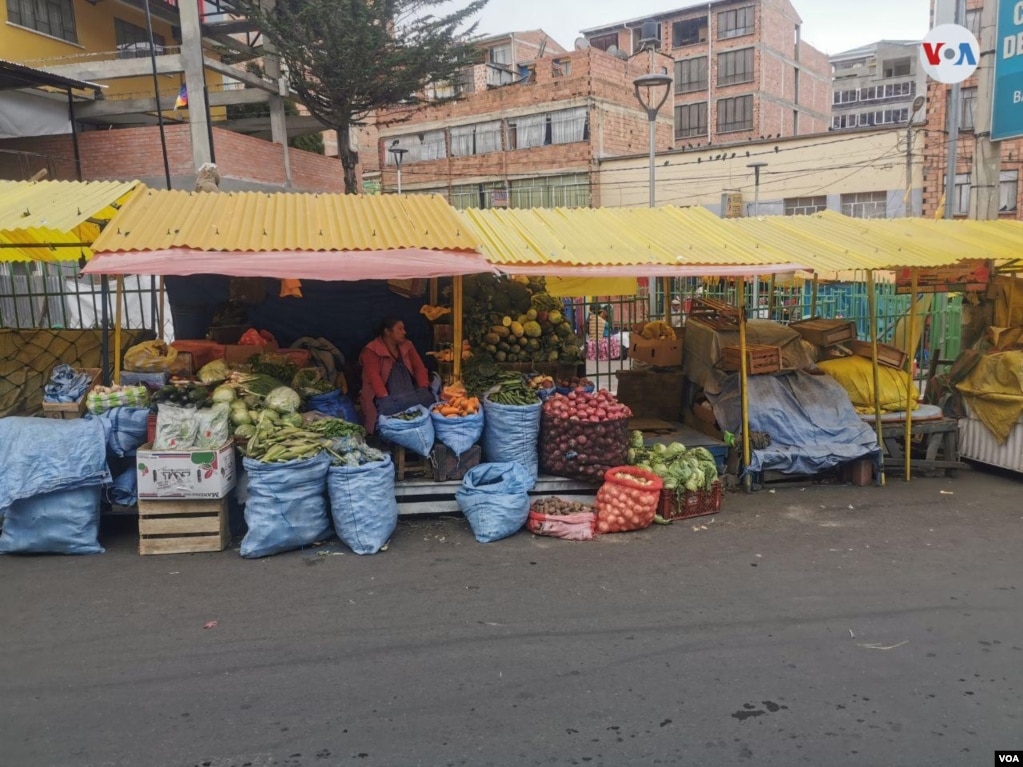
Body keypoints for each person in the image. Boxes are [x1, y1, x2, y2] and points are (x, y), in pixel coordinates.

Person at [359, 317, 434, 434]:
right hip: (385, 396)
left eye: (404, 329)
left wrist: (423, 387)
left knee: (428, 400)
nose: (404, 332)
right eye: (400, 329)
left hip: (408, 393)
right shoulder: (371, 350)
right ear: (387, 331)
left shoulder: (407, 345)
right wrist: (384, 398)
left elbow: (419, 368)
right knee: (388, 415)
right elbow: (374, 378)